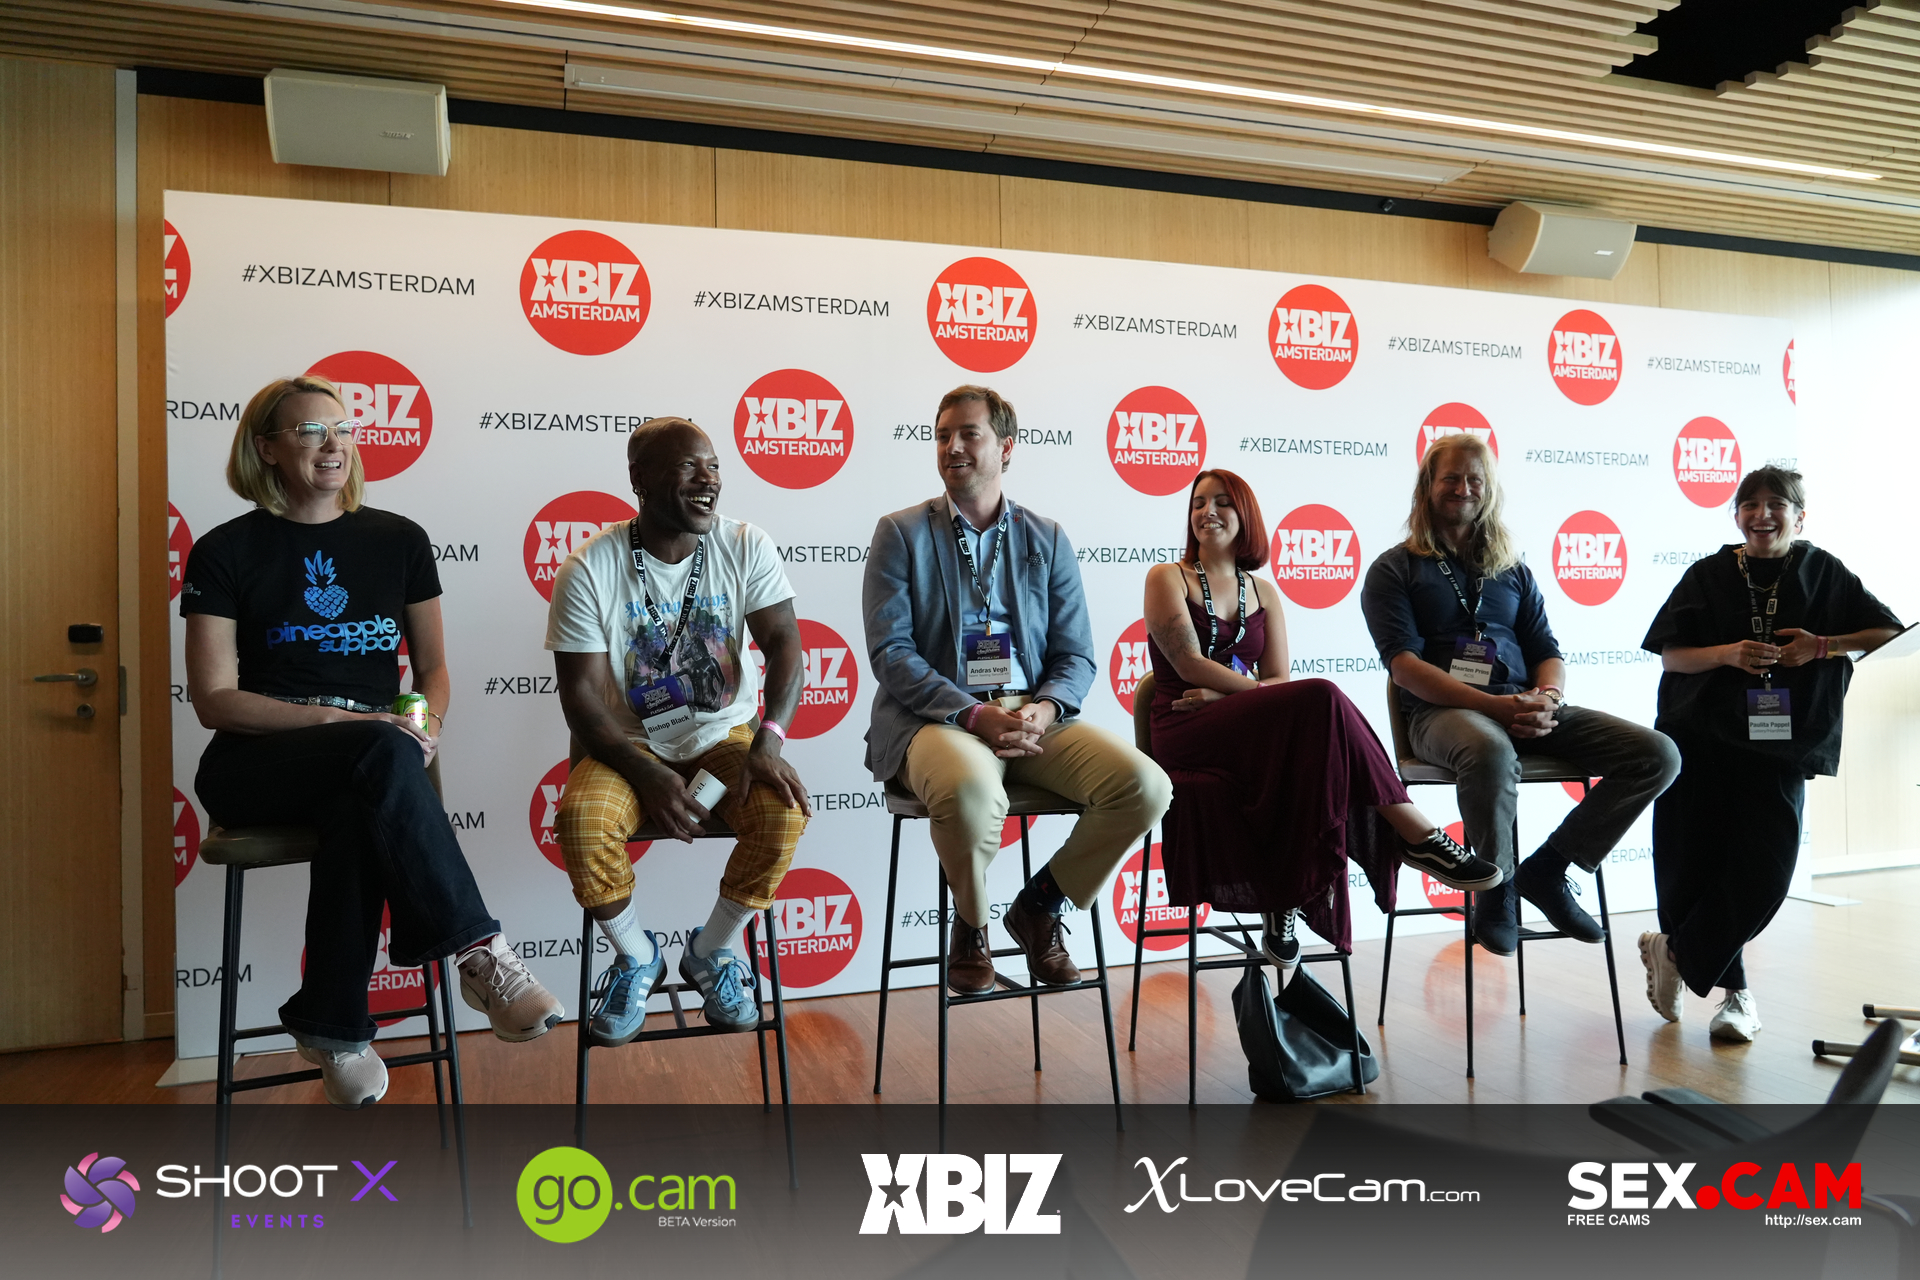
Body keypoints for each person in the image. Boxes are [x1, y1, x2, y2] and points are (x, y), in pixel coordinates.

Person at [183, 375, 563, 1110]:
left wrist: (425, 725)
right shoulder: (224, 550)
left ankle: (334, 1028)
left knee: (362, 803)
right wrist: (345, 723)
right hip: (255, 764)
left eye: (343, 429)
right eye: (309, 431)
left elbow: (434, 671)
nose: (333, 444)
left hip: (374, 760)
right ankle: (480, 952)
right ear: (267, 448)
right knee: (374, 759)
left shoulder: (399, 540)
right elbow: (214, 700)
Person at [863, 384, 1172, 995]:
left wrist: (1045, 708)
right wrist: (973, 716)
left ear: (1006, 447)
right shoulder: (901, 532)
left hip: (1033, 715)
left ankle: (1039, 907)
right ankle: (971, 926)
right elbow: (891, 654)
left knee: (1145, 787)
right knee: (971, 793)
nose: (952, 447)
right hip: (939, 718)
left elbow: (1076, 654)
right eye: (942, 435)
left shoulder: (1047, 537)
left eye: (968, 434)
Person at [1143, 469, 1501, 971]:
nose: (1208, 512)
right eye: (1199, 503)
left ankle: (1283, 899)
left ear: (1245, 515)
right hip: (1186, 726)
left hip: (1239, 725)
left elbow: (1278, 678)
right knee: (1322, 697)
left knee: (1312, 743)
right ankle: (1417, 834)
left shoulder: (1263, 592)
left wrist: (1229, 697)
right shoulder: (1167, 577)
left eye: (1222, 502)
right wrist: (1244, 695)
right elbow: (1188, 665)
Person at [1360, 434, 1681, 955]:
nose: (1464, 488)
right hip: (1441, 715)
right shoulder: (1394, 569)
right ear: (1427, 487)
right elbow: (1405, 669)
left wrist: (1548, 698)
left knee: (1657, 754)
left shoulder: (1512, 569)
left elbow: (1547, 651)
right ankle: (1497, 889)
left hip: (1521, 706)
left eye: (1475, 479)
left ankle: (1550, 868)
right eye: (1451, 478)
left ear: (1489, 490)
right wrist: (1496, 708)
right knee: (1489, 749)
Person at [548, 417, 811, 1044]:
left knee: (782, 813)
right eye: (689, 466)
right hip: (625, 748)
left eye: (714, 466)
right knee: (582, 822)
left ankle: (712, 950)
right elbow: (580, 697)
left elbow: (785, 645)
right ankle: (637, 957)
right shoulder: (590, 567)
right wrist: (647, 773)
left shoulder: (743, 544)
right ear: (639, 478)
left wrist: (769, 738)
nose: (708, 479)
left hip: (724, 739)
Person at [1639, 466, 1901, 1041]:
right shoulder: (1708, 574)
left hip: (1780, 744)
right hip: (1700, 737)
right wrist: (1727, 654)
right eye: (1750, 504)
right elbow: (1672, 657)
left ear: (1799, 517)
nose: (1763, 514)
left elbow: (1889, 633)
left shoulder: (1823, 571)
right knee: (1693, 866)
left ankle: (1675, 952)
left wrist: (1824, 645)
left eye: (1776, 504)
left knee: (1766, 873)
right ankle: (1736, 996)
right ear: (1736, 516)